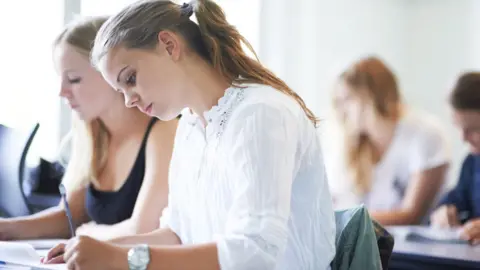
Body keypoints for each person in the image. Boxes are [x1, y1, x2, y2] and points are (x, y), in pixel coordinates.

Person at [44, 0, 336, 269]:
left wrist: (122, 258)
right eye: (121, 91)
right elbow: (177, 233)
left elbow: (255, 251)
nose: (129, 100)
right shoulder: (190, 127)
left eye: (130, 79)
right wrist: (89, 249)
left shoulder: (260, 113)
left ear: (169, 45)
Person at [0, 16, 177, 248]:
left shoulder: (164, 129)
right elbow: (70, 218)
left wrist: (90, 234)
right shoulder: (92, 134)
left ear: (110, 73)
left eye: (73, 79)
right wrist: (7, 228)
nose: (62, 92)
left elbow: (144, 228)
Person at [329, 56, 450, 225]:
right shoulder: (352, 144)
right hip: (367, 244)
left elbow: (410, 215)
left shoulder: (426, 134)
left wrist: (343, 218)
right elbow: (336, 201)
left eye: (347, 99)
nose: (340, 111)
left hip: (412, 248)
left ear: (372, 97)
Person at [430, 72, 480, 245]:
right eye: (459, 128)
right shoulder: (473, 163)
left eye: (474, 129)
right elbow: (453, 201)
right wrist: (443, 213)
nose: (463, 138)